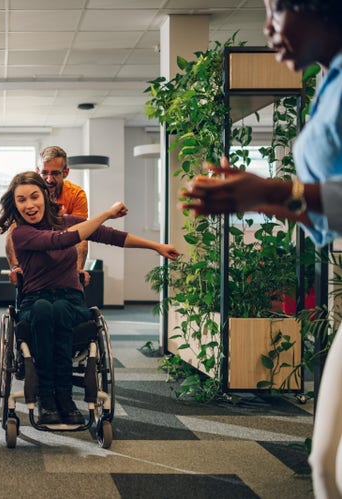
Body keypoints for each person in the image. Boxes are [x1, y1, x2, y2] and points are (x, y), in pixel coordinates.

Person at [181, 1, 342, 497]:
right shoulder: (328, 81)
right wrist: (253, 198)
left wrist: (271, 192)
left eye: (277, 10)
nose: (266, 26)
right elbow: (325, 206)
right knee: (327, 464)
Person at [0, 172, 179, 425]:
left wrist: (156, 246)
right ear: (14, 204)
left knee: (59, 309)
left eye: (34, 197)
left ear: (45, 196)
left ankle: (64, 396)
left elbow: (111, 236)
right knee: (42, 308)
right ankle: (47, 399)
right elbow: (62, 240)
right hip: (34, 301)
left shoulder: (66, 221)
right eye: (21, 200)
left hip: (69, 300)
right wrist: (105, 212)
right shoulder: (21, 234)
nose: (29, 205)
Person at [5, 146, 90, 285]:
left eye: (55, 173)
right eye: (44, 173)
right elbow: (13, 233)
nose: (49, 179)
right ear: (37, 171)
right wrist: (15, 267)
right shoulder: (27, 192)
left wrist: (77, 269)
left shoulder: (76, 194)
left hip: (62, 256)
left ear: (66, 172)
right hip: (33, 257)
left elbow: (81, 235)